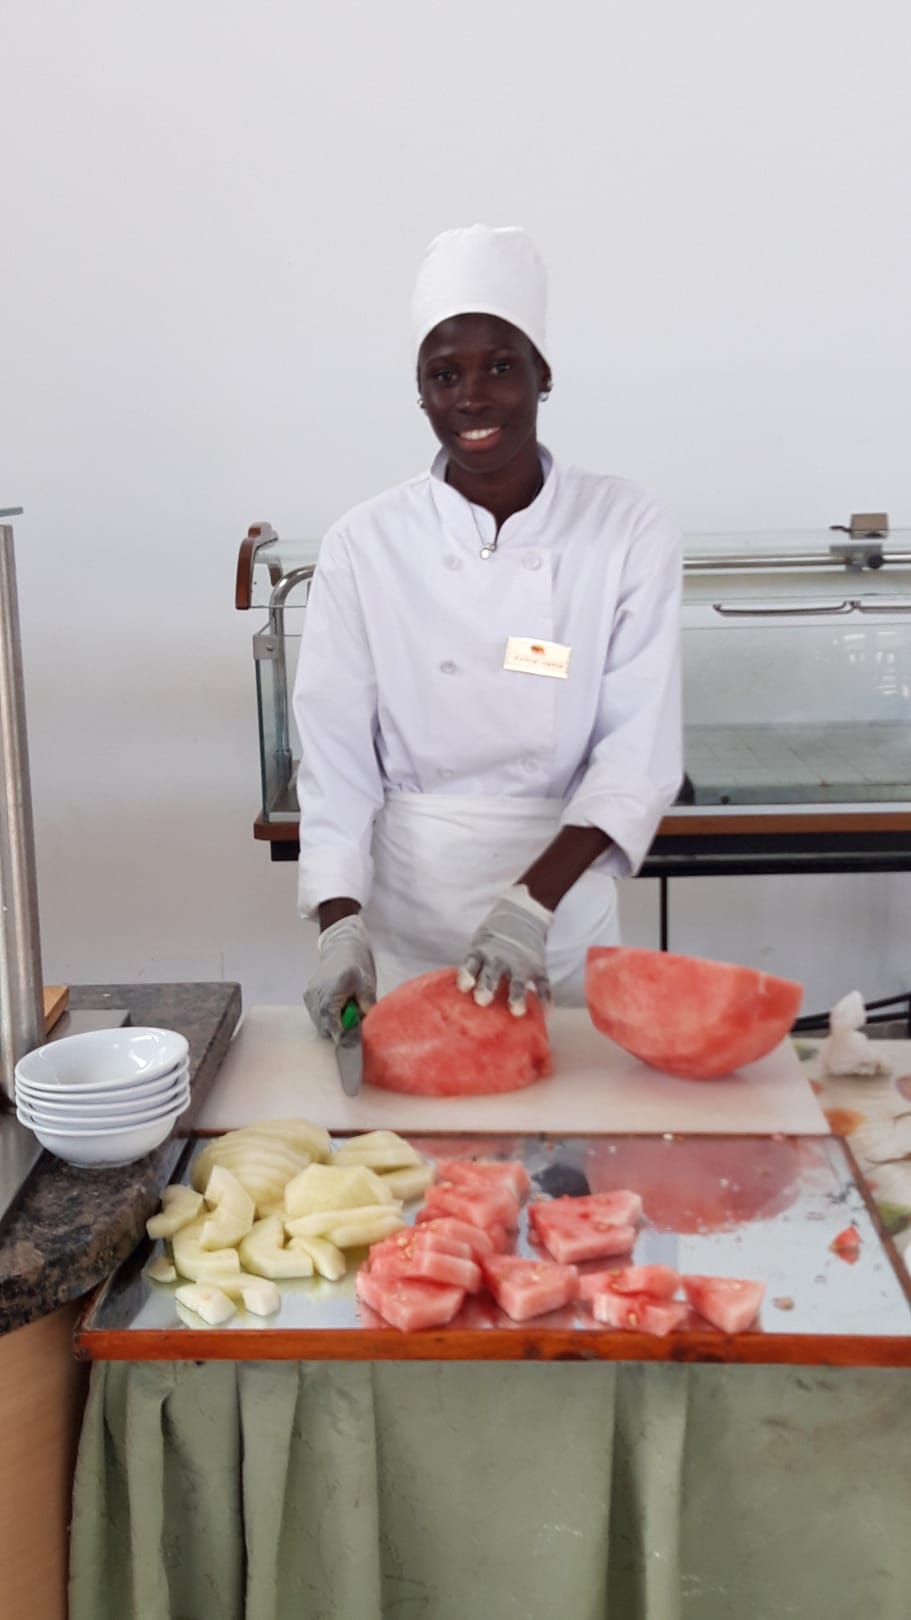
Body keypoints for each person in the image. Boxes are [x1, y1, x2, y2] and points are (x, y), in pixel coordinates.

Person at [295, 224, 682, 1040]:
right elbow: (334, 760)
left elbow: (634, 751)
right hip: (404, 925)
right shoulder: (363, 543)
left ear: (544, 373)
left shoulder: (625, 525)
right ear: (420, 392)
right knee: (406, 1115)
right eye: (444, 375)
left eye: (500, 366)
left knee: (567, 1112)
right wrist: (339, 924)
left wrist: (528, 908)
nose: (471, 397)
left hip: (559, 918)